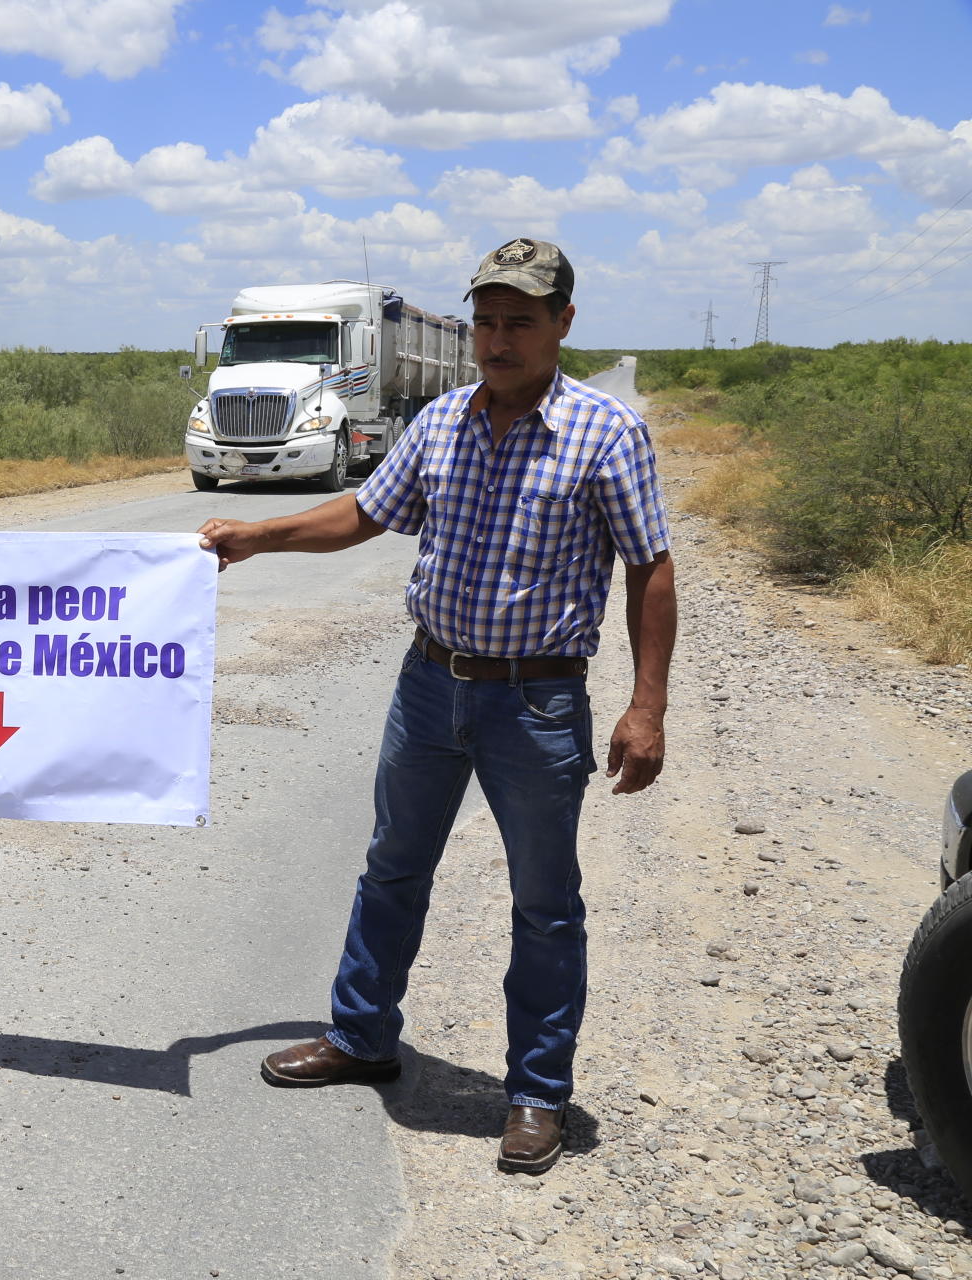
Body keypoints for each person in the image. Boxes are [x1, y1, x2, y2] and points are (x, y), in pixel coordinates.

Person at [197, 237, 676, 1174]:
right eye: (488, 322)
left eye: (520, 322)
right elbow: (366, 513)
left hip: (537, 703)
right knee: (391, 869)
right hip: (429, 686)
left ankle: (537, 1092)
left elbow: (650, 565)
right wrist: (261, 537)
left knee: (544, 905)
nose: (499, 340)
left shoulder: (604, 431)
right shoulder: (444, 421)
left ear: (562, 325)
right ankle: (361, 1037)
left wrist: (646, 705)